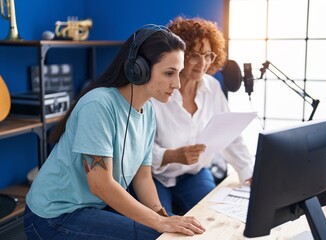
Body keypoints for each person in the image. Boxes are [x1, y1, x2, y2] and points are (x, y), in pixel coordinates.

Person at [23, 25, 206, 240]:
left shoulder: (147, 111)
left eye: (178, 73)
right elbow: (100, 184)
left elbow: (143, 177)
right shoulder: (99, 105)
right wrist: (159, 223)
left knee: (173, 232)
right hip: (53, 216)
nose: (176, 84)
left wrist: (164, 216)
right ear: (139, 68)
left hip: (92, 208)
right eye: (168, 73)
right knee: (154, 235)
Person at [151, 17, 254, 215]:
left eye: (208, 55)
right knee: (162, 227)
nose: (203, 63)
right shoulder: (155, 92)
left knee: (211, 217)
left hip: (194, 174)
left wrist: (247, 172)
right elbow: (135, 151)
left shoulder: (212, 87)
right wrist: (171, 155)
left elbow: (230, 134)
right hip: (155, 176)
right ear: (178, 55)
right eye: (194, 55)